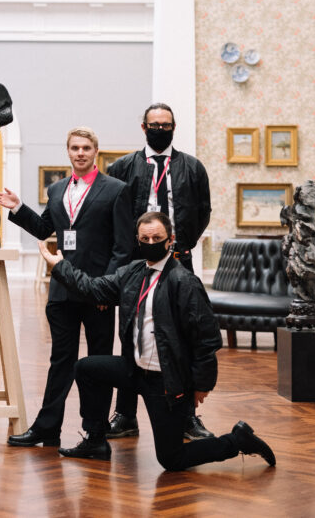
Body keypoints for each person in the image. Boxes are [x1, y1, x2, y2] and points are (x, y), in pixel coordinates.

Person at [37, 211, 275, 471]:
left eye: (157, 238)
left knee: (171, 459)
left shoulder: (184, 282)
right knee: (86, 368)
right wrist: (60, 266)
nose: (151, 243)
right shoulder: (132, 273)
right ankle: (95, 440)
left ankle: (237, 440)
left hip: (166, 381)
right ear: (137, 240)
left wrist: (201, 384)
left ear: (170, 239)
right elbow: (94, 289)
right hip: (134, 370)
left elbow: (207, 339)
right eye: (145, 238)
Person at [0, 126, 134, 448]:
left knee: (98, 361)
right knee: (60, 361)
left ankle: (95, 433)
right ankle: (47, 428)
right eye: (74, 148)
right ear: (68, 152)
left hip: (98, 293)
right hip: (63, 292)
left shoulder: (116, 189)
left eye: (86, 147)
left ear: (95, 151)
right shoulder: (57, 190)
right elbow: (43, 228)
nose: (80, 153)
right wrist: (16, 207)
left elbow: (123, 249)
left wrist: (106, 290)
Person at [105, 102, 214, 440]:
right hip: (136, 262)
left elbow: (203, 210)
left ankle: (187, 416)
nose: (160, 129)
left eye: (166, 125)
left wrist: (183, 244)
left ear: (174, 127)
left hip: (178, 258)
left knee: (181, 334)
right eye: (154, 124)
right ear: (143, 128)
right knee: (130, 334)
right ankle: (125, 414)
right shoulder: (122, 167)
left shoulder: (192, 167)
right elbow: (114, 214)